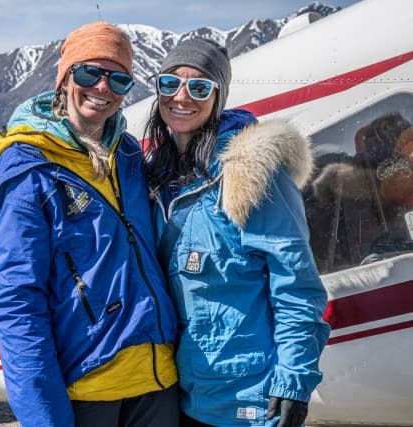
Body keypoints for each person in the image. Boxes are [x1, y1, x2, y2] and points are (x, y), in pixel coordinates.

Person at [0, 21, 179, 427]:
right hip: (89, 391)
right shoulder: (29, 171)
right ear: (64, 79)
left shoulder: (128, 155)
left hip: (157, 382)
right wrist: (45, 418)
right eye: (88, 73)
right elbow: (18, 305)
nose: (102, 88)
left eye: (118, 79)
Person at [143, 37, 331, 427]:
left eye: (199, 87)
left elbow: (296, 284)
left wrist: (294, 380)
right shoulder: (155, 176)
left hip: (249, 400)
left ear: (218, 97)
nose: (182, 97)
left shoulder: (253, 174)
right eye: (169, 83)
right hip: (186, 395)